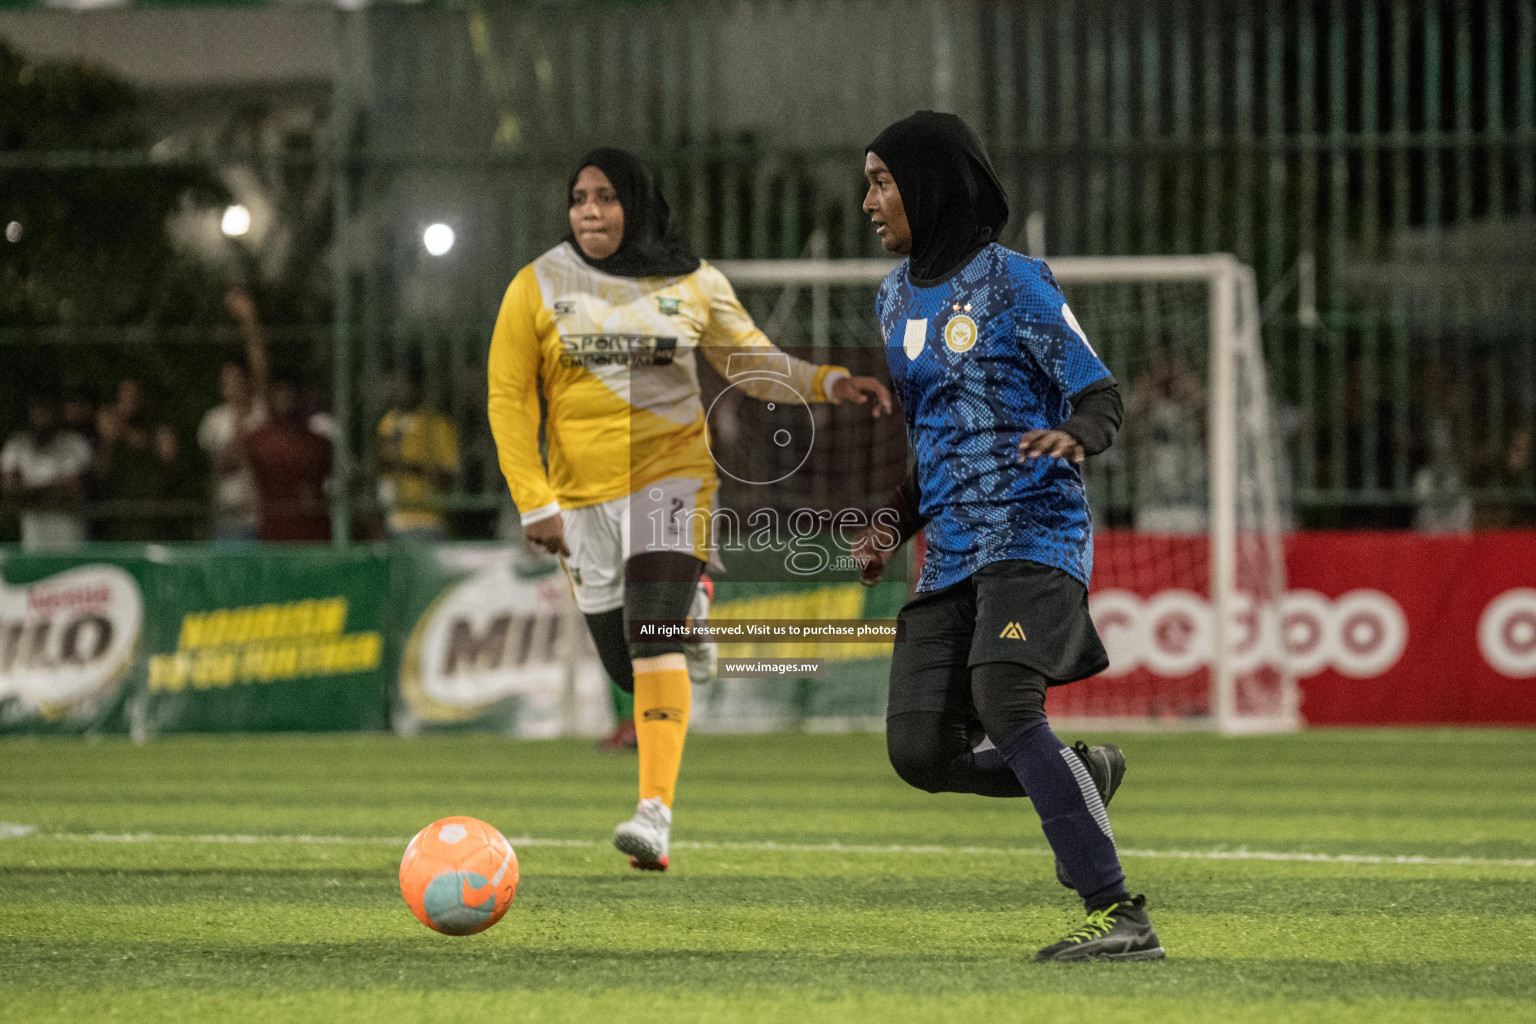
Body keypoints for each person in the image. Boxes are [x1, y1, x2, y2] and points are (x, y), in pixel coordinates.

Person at [488, 147, 892, 871]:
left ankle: (654, 815)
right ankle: (695, 601)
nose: (589, 211)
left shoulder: (692, 282)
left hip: (673, 480)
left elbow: (750, 361)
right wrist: (534, 500)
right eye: (579, 198)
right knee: (628, 665)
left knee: (652, 639)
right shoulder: (536, 286)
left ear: (636, 204)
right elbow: (509, 399)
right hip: (581, 504)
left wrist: (830, 382)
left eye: (606, 197)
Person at [849, 111, 1163, 962]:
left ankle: (1119, 915)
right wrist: (891, 522)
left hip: (1033, 529)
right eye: (869, 182)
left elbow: (1097, 393)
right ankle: (1080, 776)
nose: (869, 199)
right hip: (948, 548)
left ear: (930, 183)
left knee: (1005, 704)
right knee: (918, 751)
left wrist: (1077, 436)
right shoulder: (891, 299)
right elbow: (939, 439)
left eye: (882, 181)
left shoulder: (1016, 282)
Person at [197, 290, 270, 543]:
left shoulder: (261, 413)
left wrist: (249, 320)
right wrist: (239, 421)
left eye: (237, 379)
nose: (232, 385)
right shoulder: (213, 421)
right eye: (226, 381)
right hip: (226, 527)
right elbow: (227, 465)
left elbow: (261, 368)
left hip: (260, 524)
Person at [92, 378, 185, 541]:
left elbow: (174, 469)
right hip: (120, 526)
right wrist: (109, 440)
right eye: (125, 398)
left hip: (155, 525)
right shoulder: (112, 439)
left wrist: (123, 431)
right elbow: (100, 475)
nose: (131, 404)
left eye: (135, 398)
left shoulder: (160, 434)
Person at [244, 372, 332, 543]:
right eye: (279, 392)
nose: (285, 397)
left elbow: (344, 485)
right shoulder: (255, 441)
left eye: (290, 392)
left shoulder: (320, 444)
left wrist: (320, 499)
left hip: (313, 535)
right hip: (274, 536)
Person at [377, 364, 459, 541]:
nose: (397, 389)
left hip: (426, 520)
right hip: (392, 520)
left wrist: (409, 466)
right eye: (393, 383)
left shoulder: (437, 425)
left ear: (416, 387)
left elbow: (449, 474)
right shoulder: (387, 422)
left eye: (403, 384)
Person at [1, 394, 92, 549]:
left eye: (46, 409)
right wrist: (55, 487)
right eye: (37, 409)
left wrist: (30, 493)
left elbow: (74, 491)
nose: (41, 415)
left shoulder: (75, 444)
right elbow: (10, 491)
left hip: (70, 540)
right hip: (32, 541)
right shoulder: (17, 445)